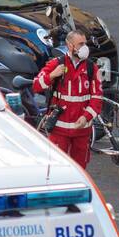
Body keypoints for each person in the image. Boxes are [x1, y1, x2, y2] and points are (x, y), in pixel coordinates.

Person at [35, 30, 102, 168]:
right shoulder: (56, 64)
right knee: (58, 169)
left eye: (85, 43)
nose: (85, 48)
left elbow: (97, 97)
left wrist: (86, 117)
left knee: (80, 169)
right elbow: (36, 86)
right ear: (70, 46)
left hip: (82, 131)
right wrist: (52, 75)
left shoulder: (91, 68)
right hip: (59, 130)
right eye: (81, 44)